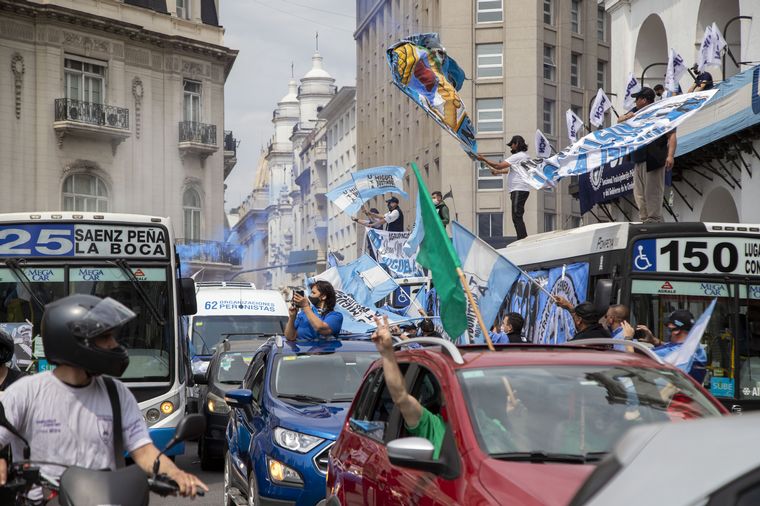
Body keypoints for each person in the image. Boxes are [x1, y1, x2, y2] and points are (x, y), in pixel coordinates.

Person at [0, 294, 206, 497]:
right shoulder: (25, 393)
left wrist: (176, 474)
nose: (114, 345)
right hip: (44, 501)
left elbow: (143, 450)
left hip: (103, 498)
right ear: (73, 341)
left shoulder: (117, 394)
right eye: (105, 338)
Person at [371, 315, 446, 458]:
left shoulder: (494, 428)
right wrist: (387, 354)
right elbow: (400, 396)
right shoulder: (434, 426)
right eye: (448, 389)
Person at [617, 87, 677, 223]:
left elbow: (671, 134)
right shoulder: (635, 112)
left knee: (652, 192)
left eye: (637, 99)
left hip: (654, 158)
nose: (635, 102)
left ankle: (654, 218)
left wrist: (670, 155)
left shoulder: (660, 112)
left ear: (644, 100)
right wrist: (627, 117)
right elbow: (619, 122)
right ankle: (644, 219)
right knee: (639, 194)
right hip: (637, 159)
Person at [477, 135, 533, 239]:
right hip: (521, 189)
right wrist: (498, 172)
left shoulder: (517, 156)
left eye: (512, 145)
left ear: (516, 144)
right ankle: (522, 237)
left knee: (516, 215)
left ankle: (523, 238)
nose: (511, 147)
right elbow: (512, 170)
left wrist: (484, 159)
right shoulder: (525, 156)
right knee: (517, 215)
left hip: (518, 189)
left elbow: (499, 165)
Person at [632, 309, 707, 380]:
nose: (667, 330)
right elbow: (671, 347)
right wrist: (655, 341)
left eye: (668, 327)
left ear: (676, 330)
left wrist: (627, 338)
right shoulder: (696, 347)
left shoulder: (675, 353)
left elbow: (637, 359)